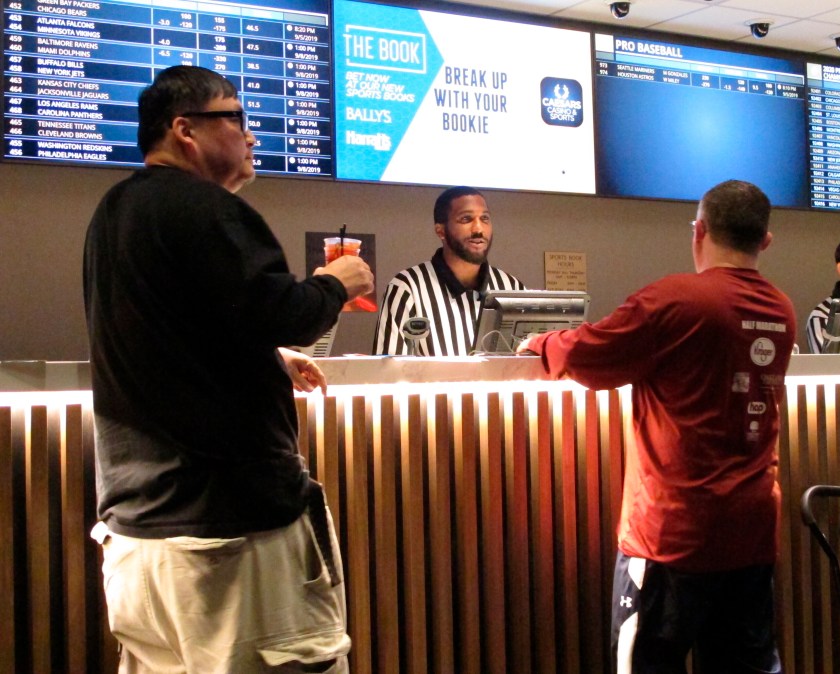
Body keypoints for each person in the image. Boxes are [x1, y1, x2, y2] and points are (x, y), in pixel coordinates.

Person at [83, 65, 373, 673]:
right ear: (185, 129)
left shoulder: (115, 211)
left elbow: (171, 332)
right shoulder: (206, 207)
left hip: (137, 537)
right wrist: (334, 284)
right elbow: (287, 312)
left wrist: (266, 355)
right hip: (230, 537)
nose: (250, 135)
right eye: (236, 118)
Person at [518, 180, 795, 673]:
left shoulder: (676, 300)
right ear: (765, 241)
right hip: (751, 533)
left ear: (700, 230)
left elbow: (589, 357)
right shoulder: (782, 309)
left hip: (672, 537)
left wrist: (541, 342)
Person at [372, 185, 525, 356]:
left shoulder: (512, 288)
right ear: (441, 231)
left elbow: (531, 363)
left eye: (485, 218)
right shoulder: (407, 288)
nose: (478, 229)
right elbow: (388, 372)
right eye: (466, 219)